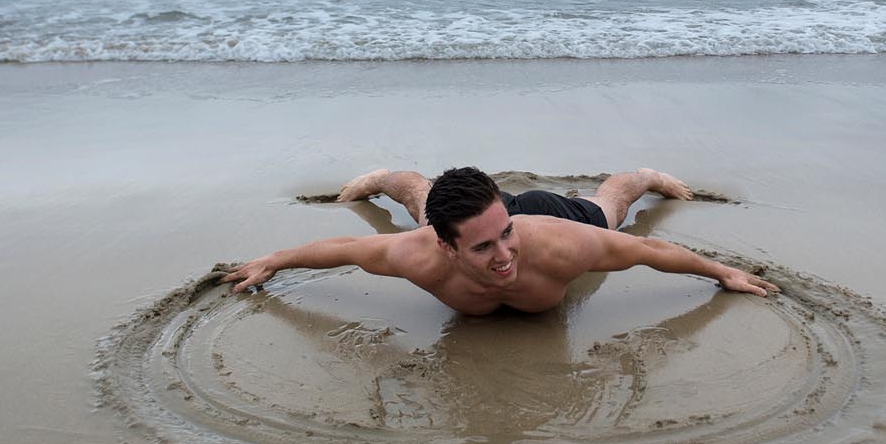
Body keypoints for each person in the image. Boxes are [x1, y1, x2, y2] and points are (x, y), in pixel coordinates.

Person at [223, 166, 779, 315]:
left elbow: (649, 252)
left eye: (504, 240)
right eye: (486, 249)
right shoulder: (419, 253)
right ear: (445, 247)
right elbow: (343, 250)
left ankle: (648, 173)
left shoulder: (560, 244)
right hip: (470, 215)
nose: (506, 257)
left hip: (539, 213)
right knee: (418, 193)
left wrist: (722, 272)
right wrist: (272, 261)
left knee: (614, 206)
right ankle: (382, 176)